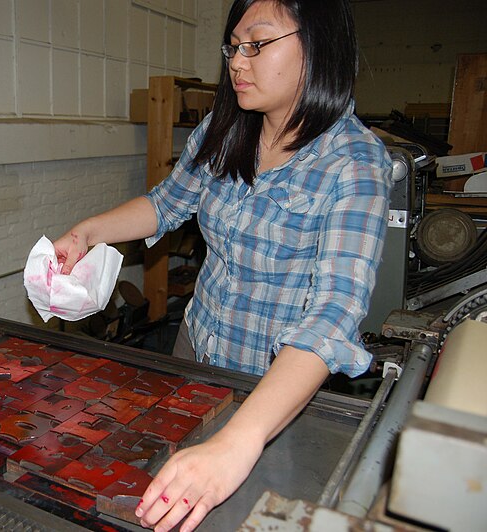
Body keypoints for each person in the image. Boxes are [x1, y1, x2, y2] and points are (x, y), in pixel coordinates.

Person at [54, 0, 391, 530]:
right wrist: (87, 232)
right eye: (233, 46)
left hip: (273, 388)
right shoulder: (226, 127)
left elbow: (332, 317)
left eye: (257, 43)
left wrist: (239, 441)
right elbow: (167, 204)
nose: (237, 61)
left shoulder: (354, 162)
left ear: (319, 45)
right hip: (196, 350)